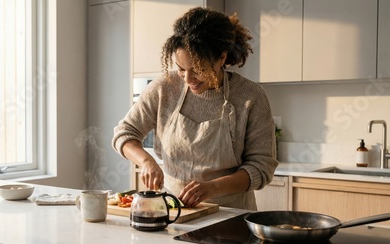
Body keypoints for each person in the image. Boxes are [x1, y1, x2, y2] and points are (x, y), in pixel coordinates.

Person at [112, 7, 278, 210]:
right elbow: (125, 133)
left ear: (222, 58)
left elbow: (262, 167)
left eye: (198, 70)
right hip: (174, 212)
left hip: (230, 215)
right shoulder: (165, 88)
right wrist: (146, 161)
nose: (188, 80)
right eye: (181, 69)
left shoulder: (250, 96)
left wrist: (213, 188)